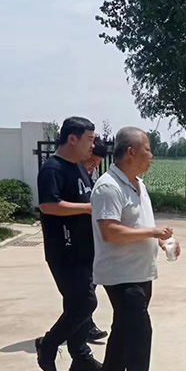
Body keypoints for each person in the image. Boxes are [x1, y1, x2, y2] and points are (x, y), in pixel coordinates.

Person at [91, 127, 177, 371]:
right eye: (148, 149)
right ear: (131, 152)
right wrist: (153, 232)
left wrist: (160, 241)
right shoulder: (108, 187)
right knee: (140, 334)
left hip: (140, 272)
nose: (151, 155)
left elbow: (138, 224)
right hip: (121, 275)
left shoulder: (137, 184)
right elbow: (110, 231)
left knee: (123, 330)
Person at [36, 116, 102, 371]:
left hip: (86, 250)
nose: (92, 146)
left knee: (77, 304)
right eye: (89, 139)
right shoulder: (52, 169)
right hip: (64, 251)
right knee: (85, 303)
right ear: (72, 138)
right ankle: (49, 343)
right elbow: (48, 205)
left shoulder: (78, 168)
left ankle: (80, 356)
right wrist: (88, 209)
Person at [83, 136, 110, 343]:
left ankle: (84, 325)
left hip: (92, 239)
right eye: (91, 161)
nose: (93, 166)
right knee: (84, 291)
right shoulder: (71, 174)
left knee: (89, 287)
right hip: (76, 241)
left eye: (97, 163)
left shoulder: (92, 177)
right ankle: (83, 326)